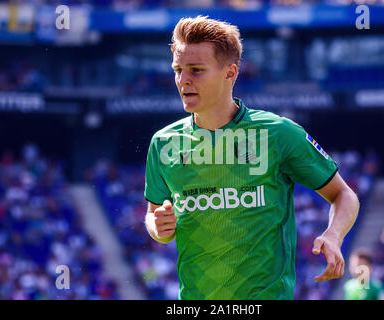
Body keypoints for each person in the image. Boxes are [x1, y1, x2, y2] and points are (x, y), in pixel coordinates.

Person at [144, 15, 360, 300]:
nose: (183, 80)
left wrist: (334, 235)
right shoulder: (163, 143)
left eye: (196, 70)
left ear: (230, 73)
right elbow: (154, 216)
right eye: (178, 69)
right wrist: (157, 228)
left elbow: (344, 195)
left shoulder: (279, 134)